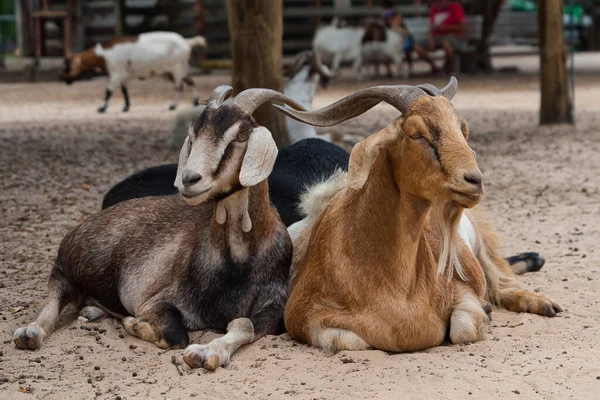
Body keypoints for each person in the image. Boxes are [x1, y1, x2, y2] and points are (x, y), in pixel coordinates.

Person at [414, 0, 465, 75]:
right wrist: (432, 41)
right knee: (417, 46)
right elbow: (431, 28)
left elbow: (461, 27)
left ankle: (448, 67)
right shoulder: (434, 8)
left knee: (446, 44)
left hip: (452, 37)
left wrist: (444, 28)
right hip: (437, 37)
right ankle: (434, 67)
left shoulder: (454, 7)